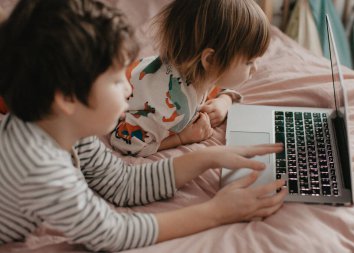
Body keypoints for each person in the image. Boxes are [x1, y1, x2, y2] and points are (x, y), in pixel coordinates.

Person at [0, 0, 287, 251]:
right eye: (115, 80)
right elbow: (111, 233)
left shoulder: (64, 129)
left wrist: (208, 158)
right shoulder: (38, 165)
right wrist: (217, 212)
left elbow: (121, 184)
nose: (129, 89)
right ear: (67, 98)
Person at [109, 0, 270, 157]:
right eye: (249, 62)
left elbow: (219, 83)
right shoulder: (172, 110)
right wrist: (182, 138)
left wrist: (224, 101)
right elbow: (125, 143)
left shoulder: (196, 71)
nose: (255, 69)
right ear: (210, 60)